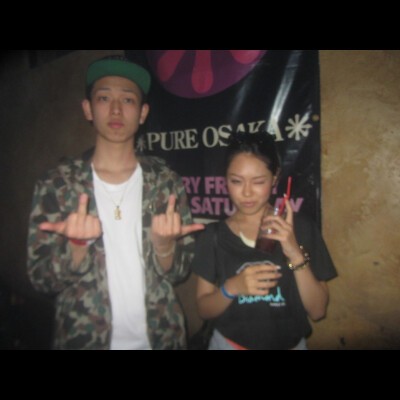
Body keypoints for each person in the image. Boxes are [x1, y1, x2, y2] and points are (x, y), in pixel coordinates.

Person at [27, 55, 204, 350]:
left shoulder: (166, 182)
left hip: (162, 337)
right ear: (88, 108)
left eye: (128, 100)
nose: (116, 109)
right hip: (83, 339)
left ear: (143, 113)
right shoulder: (57, 184)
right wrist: (76, 249)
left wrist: (164, 248)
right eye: (104, 98)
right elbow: (41, 280)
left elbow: (179, 272)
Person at [191, 132, 337, 350]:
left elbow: (318, 311)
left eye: (258, 182)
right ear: (225, 180)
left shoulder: (302, 229)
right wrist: (232, 287)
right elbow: (204, 309)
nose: (247, 192)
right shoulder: (212, 235)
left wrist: (294, 252)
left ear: (275, 178)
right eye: (236, 181)